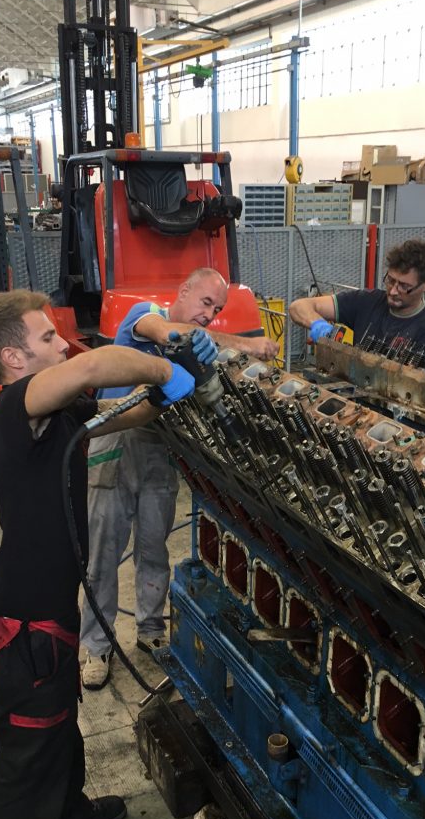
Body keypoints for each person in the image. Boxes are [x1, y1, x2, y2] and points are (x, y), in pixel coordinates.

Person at [0, 289, 195, 819]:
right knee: (27, 746)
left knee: (59, 719)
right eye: (46, 338)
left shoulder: (58, 412)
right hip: (25, 617)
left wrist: (171, 391)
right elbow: (95, 364)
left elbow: (120, 415)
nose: (62, 345)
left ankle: (64, 811)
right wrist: (161, 366)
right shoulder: (15, 407)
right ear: (14, 358)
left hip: (50, 606)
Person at [80, 267, 279, 688]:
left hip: (158, 447)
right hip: (115, 442)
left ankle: (151, 628)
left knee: (154, 545)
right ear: (184, 291)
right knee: (103, 552)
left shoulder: (198, 347)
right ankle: (96, 646)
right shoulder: (145, 315)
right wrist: (248, 343)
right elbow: (167, 332)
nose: (209, 314)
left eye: (217, 309)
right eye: (205, 302)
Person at [288, 237, 425, 355]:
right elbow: (298, 307)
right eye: (390, 281)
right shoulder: (366, 301)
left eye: (404, 286)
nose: (393, 291)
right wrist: (319, 326)